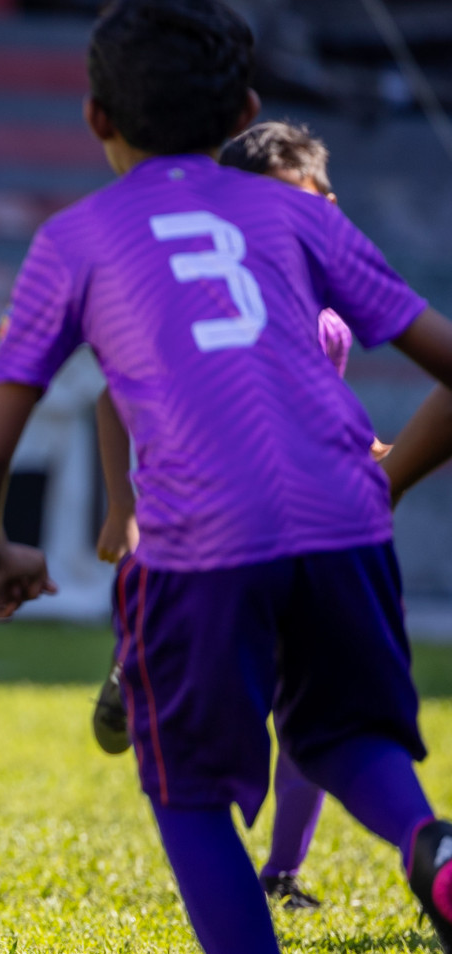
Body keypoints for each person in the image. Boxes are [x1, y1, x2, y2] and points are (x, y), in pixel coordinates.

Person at [0, 0, 452, 954]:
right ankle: (434, 850)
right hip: (343, 523)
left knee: (189, 795)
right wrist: (380, 483)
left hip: (200, 544)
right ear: (243, 115)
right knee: (346, 732)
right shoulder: (295, 209)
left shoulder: (77, 240)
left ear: (96, 116)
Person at [91, 121, 371, 911]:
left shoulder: (330, 322)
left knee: (305, 700)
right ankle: (138, 674)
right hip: (190, 532)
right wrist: (123, 504)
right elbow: (112, 392)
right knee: (213, 704)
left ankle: (283, 872)